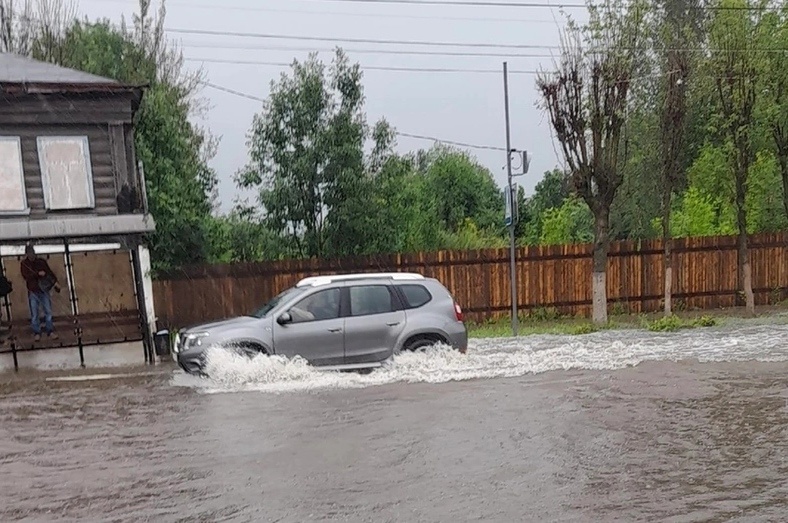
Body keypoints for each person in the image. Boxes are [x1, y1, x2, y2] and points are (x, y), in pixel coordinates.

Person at [20, 245, 61, 341]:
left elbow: (49, 273)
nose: (32, 254)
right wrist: (37, 274)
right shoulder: (25, 264)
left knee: (47, 311)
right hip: (34, 291)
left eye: (32, 252)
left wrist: (55, 282)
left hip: (42, 290)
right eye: (30, 252)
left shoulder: (40, 262)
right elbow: (26, 276)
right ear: (27, 254)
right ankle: (37, 332)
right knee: (35, 313)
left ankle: (49, 331)